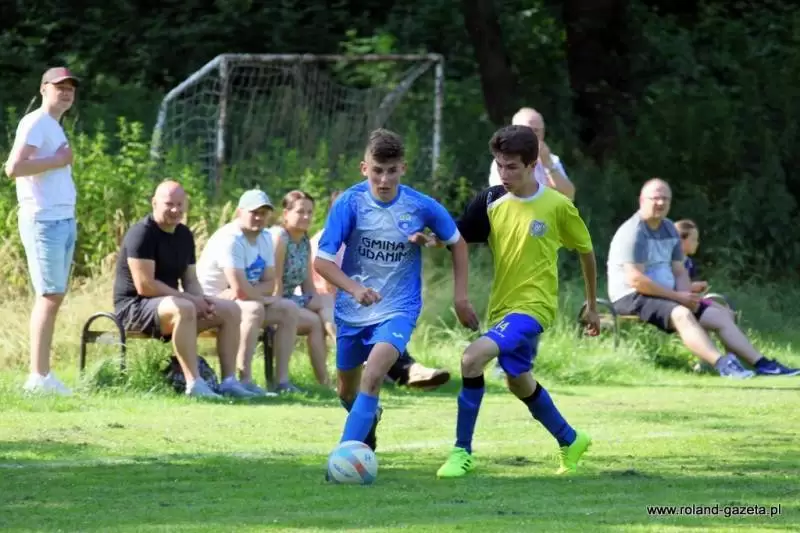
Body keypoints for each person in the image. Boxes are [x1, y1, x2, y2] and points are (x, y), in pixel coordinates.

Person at [435, 125, 598, 479]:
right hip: (502, 309)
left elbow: (586, 251)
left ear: (532, 165)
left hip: (534, 308)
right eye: (499, 165)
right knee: (518, 380)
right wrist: (427, 236)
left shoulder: (557, 206)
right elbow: (457, 236)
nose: (504, 174)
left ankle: (461, 452)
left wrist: (592, 305)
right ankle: (570, 439)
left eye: (512, 167)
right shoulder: (491, 201)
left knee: (472, 358)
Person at [314, 128, 479, 463]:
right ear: (364, 168)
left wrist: (461, 298)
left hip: (398, 308)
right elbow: (322, 262)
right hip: (352, 310)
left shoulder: (420, 205)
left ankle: (344, 458)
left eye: (392, 171)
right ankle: (368, 418)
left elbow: (457, 243)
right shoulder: (349, 203)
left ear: (403, 168)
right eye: (377, 171)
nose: (384, 179)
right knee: (347, 392)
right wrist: (354, 288)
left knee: (374, 374)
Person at [607, 179, 799, 377]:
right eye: (655, 198)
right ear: (641, 200)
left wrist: (686, 295)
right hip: (632, 296)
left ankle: (763, 364)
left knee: (720, 316)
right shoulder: (634, 232)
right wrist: (678, 298)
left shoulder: (669, 229)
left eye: (665, 199)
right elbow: (636, 280)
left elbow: (679, 271)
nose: (661, 203)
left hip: (666, 296)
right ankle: (723, 365)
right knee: (682, 314)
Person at [113, 180, 257, 398]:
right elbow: (145, 286)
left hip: (170, 306)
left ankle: (229, 382)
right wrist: (190, 300)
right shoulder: (142, 233)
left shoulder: (184, 235)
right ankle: (194, 384)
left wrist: (202, 300)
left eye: (179, 205)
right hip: (134, 308)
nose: (175, 210)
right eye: (169, 204)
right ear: (154, 203)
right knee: (184, 308)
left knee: (231, 310)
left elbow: (190, 280)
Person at [309, 190, 452, 390]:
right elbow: (327, 284)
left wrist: (425, 240)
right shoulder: (324, 241)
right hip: (330, 302)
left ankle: (407, 372)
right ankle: (408, 372)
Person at [4, 67, 81, 395]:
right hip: (43, 221)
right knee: (48, 295)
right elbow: (14, 168)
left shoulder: (53, 125)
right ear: (43, 89)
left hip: (62, 219)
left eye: (70, 88)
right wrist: (58, 160)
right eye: (59, 86)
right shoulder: (35, 121)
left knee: (54, 294)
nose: (66, 92)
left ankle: (43, 375)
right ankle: (38, 377)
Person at [196, 188, 304, 395]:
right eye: (254, 212)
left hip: (240, 299)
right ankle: (242, 379)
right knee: (254, 309)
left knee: (289, 308)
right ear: (239, 212)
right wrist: (259, 296)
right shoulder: (230, 238)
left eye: (263, 213)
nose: (259, 217)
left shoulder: (265, 238)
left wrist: (254, 293)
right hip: (210, 301)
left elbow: (270, 282)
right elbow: (240, 289)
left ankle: (282, 382)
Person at [270, 190, 331, 388]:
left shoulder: (305, 241)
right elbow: (275, 283)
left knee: (328, 304)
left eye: (310, 212)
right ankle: (327, 378)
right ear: (286, 213)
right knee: (316, 320)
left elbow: (308, 286)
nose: (306, 217)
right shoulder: (280, 238)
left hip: (292, 298)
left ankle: (328, 383)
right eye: (300, 212)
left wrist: (321, 305)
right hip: (274, 299)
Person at [488, 107, 575, 200]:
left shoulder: (552, 160)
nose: (532, 136)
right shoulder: (503, 162)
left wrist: (548, 165)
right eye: (527, 130)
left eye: (536, 131)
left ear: (543, 133)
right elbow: (503, 197)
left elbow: (569, 196)